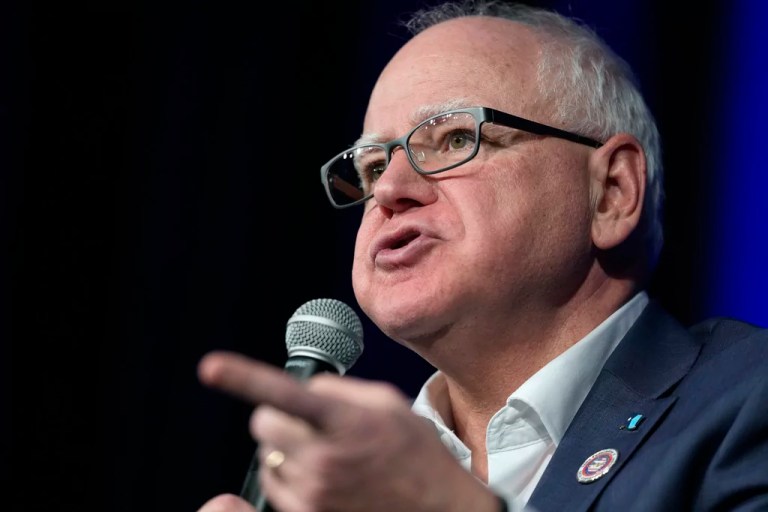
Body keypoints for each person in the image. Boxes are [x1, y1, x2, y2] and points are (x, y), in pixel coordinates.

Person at [196, 1, 768, 511]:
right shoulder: (349, 485)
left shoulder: (748, 399)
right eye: (371, 167)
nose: (389, 189)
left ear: (611, 192)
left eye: (453, 139)